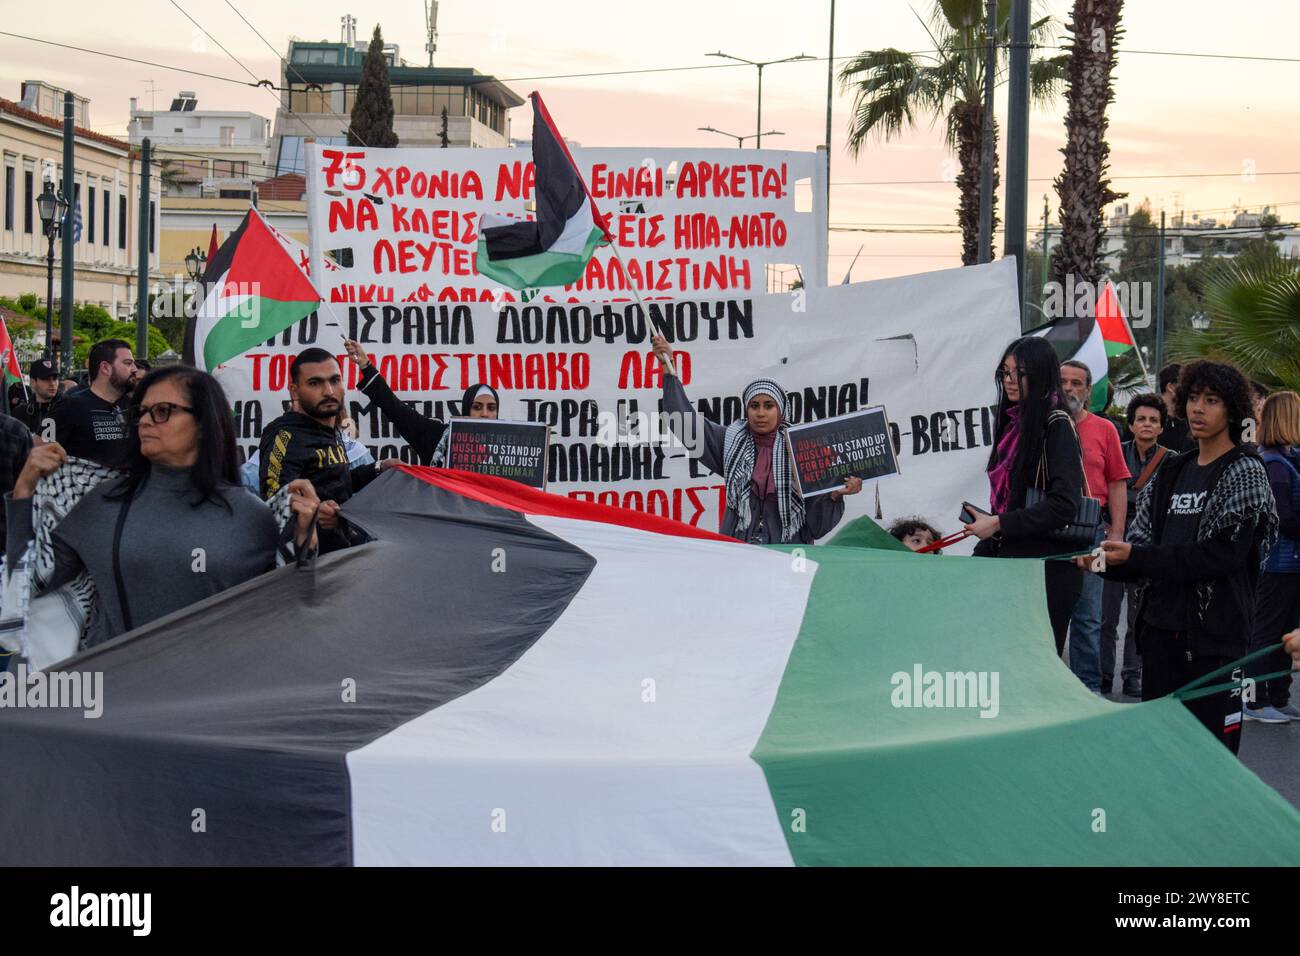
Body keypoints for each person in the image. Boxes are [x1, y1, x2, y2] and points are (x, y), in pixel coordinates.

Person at [5, 365, 321, 647]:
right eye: (140, 411)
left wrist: (303, 544)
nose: (145, 421)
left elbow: (287, 614)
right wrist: (23, 493)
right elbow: (25, 584)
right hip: (114, 699)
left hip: (217, 701)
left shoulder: (254, 516)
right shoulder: (101, 504)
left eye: (163, 411)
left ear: (204, 422)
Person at [1083, 361, 1278, 754]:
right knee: (1161, 753)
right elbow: (1141, 549)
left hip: (1214, 641)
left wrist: (1138, 556)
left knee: (1210, 755)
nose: (1198, 409)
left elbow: (1220, 556)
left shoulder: (1245, 471)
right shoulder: (1173, 468)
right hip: (1158, 634)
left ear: (1233, 409)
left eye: (1211, 400)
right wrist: (1101, 563)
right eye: (1192, 398)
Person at [652, 333, 860, 543]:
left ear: (781, 411)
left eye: (768, 406)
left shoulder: (802, 448)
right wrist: (668, 370)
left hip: (790, 554)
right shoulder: (731, 442)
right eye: (754, 406)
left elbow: (817, 527)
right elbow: (683, 422)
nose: (760, 413)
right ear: (746, 409)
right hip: (740, 552)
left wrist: (835, 495)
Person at [966, 336, 1084, 653]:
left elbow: (1064, 505)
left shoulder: (1056, 423)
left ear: (1041, 374)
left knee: (1032, 668)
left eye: (1019, 373)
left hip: (1045, 569)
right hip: (1010, 561)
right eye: (1005, 373)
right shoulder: (1013, 423)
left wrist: (1000, 523)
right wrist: (991, 529)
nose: (1009, 381)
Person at [259, 347, 395, 550]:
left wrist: (379, 468)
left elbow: (337, 482)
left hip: (344, 557)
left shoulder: (328, 429)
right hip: (311, 568)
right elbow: (275, 504)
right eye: (315, 383)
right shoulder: (285, 435)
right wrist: (314, 514)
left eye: (335, 380)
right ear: (294, 391)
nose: (328, 391)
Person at [1059, 360, 1131, 693]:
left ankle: (1088, 690)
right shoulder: (1042, 424)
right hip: (1048, 531)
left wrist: (1116, 533)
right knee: (1048, 614)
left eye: (1077, 383)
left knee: (1090, 617)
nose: (1070, 388)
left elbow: (1117, 483)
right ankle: (1050, 690)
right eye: (1064, 382)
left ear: (1089, 391)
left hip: (1094, 533)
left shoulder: (1106, 430)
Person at [1101, 393, 1172, 697]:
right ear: (1130, 424)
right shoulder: (1116, 452)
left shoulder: (1172, 461)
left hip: (1146, 546)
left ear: (1161, 427)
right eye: (1141, 419)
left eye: (1153, 420)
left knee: (1136, 616)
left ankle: (1132, 675)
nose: (1147, 424)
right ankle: (1103, 675)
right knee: (1104, 615)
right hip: (1111, 538)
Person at [341, 339, 498, 466]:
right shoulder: (437, 437)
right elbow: (394, 408)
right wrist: (365, 365)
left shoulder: (510, 448)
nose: (484, 414)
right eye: (476, 407)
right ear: (465, 409)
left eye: (491, 408)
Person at [1243, 390, 1300, 723]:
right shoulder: (1275, 465)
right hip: (1277, 562)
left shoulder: (1286, 460)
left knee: (1285, 633)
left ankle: (1277, 696)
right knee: (1265, 633)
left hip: (1290, 564)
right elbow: (1286, 520)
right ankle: (1252, 701)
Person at [48, 339, 136, 468]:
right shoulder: (69, 405)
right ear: (105, 368)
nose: (134, 369)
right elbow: (40, 447)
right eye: (128, 363)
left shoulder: (134, 406)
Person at [9, 359, 61, 435]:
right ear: (33, 382)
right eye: (46, 379)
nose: (52, 383)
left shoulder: (67, 409)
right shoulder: (20, 413)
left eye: (55, 378)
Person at [1158, 363, 1195, 453]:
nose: (1189, 390)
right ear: (1170, 387)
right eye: (1185, 384)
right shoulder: (1146, 419)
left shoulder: (1191, 421)